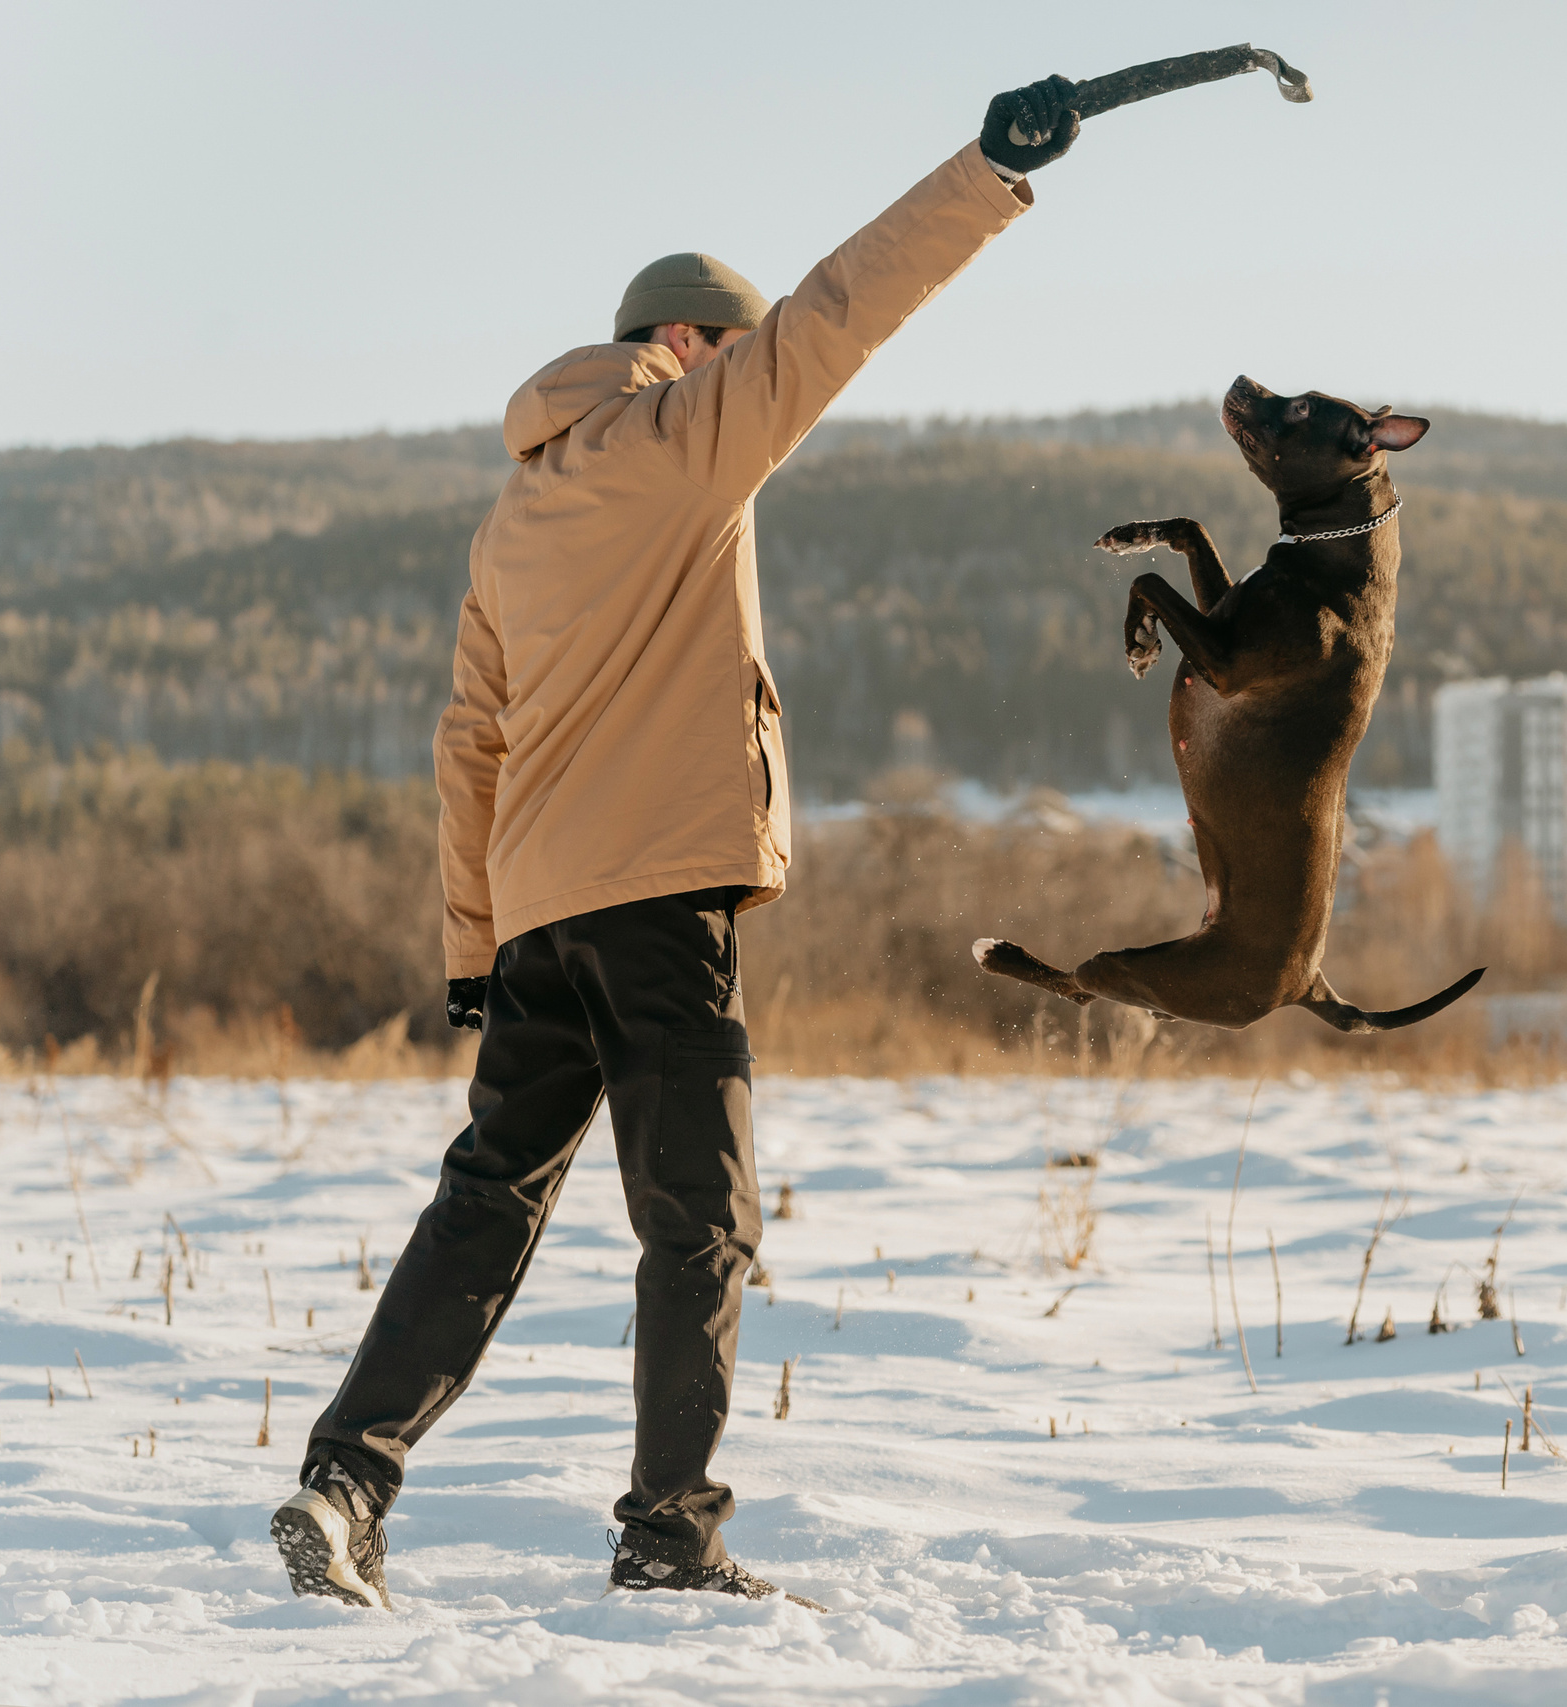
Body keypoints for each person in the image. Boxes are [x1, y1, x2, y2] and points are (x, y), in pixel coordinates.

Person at [268, 77, 1084, 1612]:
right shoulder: (690, 431)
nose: (756, 373)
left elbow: (472, 740)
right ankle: (670, 1534)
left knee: (488, 1198)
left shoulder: (517, 508)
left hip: (534, 918)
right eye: (741, 346)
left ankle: (345, 1480)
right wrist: (988, 170)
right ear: (697, 347)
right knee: (699, 1224)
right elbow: (847, 307)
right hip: (655, 905)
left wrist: (470, 951)